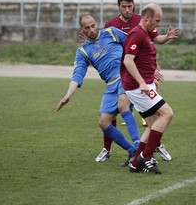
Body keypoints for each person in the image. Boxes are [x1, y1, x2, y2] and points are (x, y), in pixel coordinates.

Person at [96, 0, 175, 163]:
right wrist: (90, 39)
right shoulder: (111, 25)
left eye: (130, 6)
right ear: (119, 6)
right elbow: (103, 46)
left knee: (149, 115)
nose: (127, 10)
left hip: (136, 77)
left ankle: (146, 150)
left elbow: (154, 41)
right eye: (124, 7)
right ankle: (110, 149)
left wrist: (166, 39)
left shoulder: (142, 21)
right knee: (113, 114)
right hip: (121, 76)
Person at [57, 14, 140, 166]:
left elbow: (134, 43)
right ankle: (132, 152)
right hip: (110, 85)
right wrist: (68, 94)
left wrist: (151, 67)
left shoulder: (111, 32)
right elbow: (77, 74)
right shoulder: (83, 51)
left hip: (125, 76)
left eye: (93, 25)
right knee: (104, 122)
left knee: (123, 105)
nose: (92, 30)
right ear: (82, 30)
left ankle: (139, 149)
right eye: (87, 28)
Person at [120, 3, 179, 173]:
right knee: (167, 113)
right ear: (147, 18)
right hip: (138, 88)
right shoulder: (136, 35)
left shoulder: (146, 32)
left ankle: (136, 163)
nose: (159, 24)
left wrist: (166, 37)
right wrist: (142, 83)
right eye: (157, 20)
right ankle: (146, 156)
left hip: (144, 85)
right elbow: (128, 61)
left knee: (153, 124)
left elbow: (157, 41)